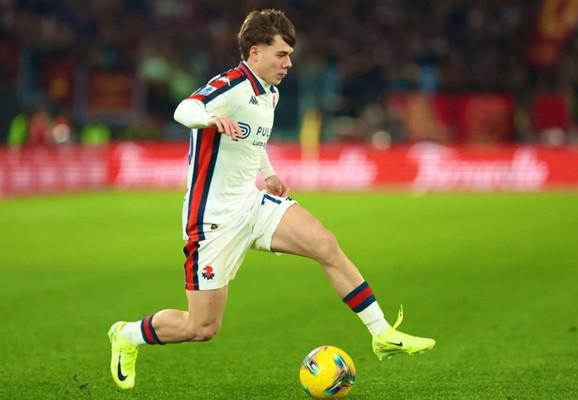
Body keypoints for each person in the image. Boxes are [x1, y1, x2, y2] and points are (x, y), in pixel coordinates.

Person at [108, 9, 435, 390]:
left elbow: (253, 139)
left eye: (290, 55)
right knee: (201, 327)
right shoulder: (230, 85)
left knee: (324, 243)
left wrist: (269, 173)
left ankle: (381, 333)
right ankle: (126, 334)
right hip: (213, 219)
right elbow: (186, 108)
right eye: (281, 54)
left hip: (252, 203)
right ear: (255, 52)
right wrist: (209, 120)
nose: (288, 63)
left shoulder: (270, 94)